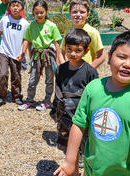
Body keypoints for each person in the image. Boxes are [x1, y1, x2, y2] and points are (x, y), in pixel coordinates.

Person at [54, 31, 130, 176]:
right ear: (109, 57)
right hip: (92, 171)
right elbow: (78, 125)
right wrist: (70, 162)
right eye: (121, 57)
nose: (127, 64)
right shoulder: (93, 88)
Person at [52, 28, 98, 175]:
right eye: (69, 49)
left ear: (85, 52)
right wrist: (55, 110)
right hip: (65, 115)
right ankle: (75, 172)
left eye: (77, 50)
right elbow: (57, 90)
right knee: (69, 148)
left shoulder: (90, 71)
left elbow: (95, 94)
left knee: (86, 147)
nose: (72, 54)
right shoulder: (60, 69)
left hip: (83, 117)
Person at [17, 0, 63, 111]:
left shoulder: (51, 26)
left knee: (49, 80)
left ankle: (47, 101)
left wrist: (58, 58)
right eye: (36, 13)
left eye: (42, 12)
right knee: (32, 80)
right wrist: (23, 53)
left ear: (46, 12)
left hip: (49, 56)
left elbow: (57, 43)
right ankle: (29, 100)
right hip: (37, 56)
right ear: (33, 13)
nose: (39, 15)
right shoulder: (31, 26)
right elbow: (26, 40)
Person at [0, 0, 29, 107]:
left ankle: (17, 96)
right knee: (3, 74)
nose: (15, 8)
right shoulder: (5, 19)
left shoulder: (25, 23)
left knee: (16, 75)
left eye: (17, 6)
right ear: (9, 7)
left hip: (16, 54)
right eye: (13, 5)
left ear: (22, 8)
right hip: (4, 51)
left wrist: (23, 53)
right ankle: (0, 95)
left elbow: (26, 39)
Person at [60, 0, 105, 69]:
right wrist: (63, 68)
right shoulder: (68, 31)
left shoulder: (92, 32)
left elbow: (101, 56)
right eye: (75, 12)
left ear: (88, 15)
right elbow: (61, 52)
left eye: (82, 12)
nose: (78, 14)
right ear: (70, 14)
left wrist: (89, 71)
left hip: (86, 73)